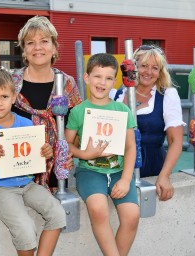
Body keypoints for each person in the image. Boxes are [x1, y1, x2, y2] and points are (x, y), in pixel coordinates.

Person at [0, 68, 66, 256]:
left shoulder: (26, 123)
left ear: (14, 97)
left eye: (4, 96)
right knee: (25, 229)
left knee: (58, 215)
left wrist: (45, 152)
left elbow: (37, 158)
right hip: (0, 187)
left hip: (27, 182)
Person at [65, 53, 140, 256]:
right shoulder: (78, 111)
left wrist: (125, 179)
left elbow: (130, 147)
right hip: (90, 171)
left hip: (118, 171)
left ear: (114, 81)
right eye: (97, 76)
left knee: (132, 215)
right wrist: (84, 153)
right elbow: (66, 145)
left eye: (108, 78)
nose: (102, 82)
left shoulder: (122, 110)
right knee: (98, 209)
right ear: (87, 78)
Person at [11, 15, 82, 189]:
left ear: (54, 47)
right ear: (24, 50)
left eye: (44, 41)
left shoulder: (66, 84)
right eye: (30, 43)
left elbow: (78, 127)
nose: (37, 48)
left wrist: (70, 152)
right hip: (17, 169)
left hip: (56, 169)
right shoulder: (10, 83)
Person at [112, 45, 185, 201]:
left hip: (151, 164)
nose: (148, 72)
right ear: (134, 67)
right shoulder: (120, 93)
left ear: (160, 72)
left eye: (155, 68)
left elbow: (175, 141)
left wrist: (164, 176)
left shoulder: (167, 95)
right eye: (144, 66)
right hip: (119, 165)